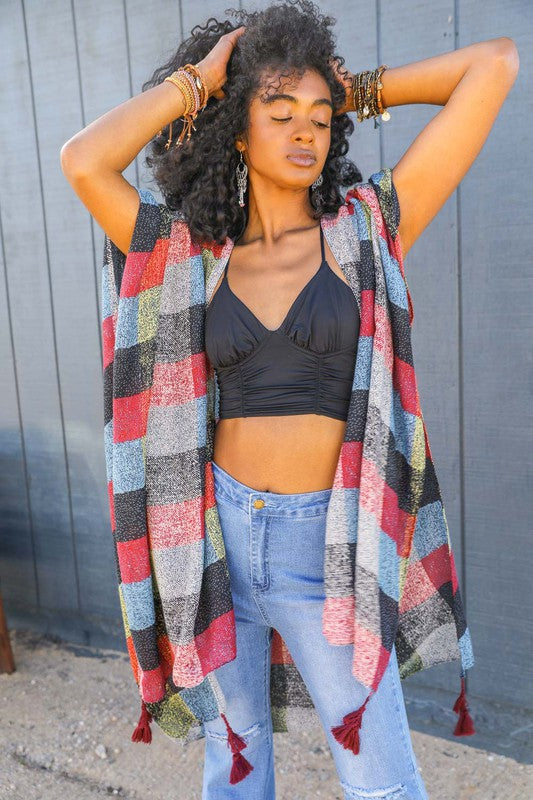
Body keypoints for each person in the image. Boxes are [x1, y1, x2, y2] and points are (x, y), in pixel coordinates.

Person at [60, 2, 519, 798]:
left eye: (318, 115)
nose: (305, 131)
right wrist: (196, 84)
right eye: (279, 113)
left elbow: (495, 65)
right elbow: (82, 161)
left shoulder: (365, 230)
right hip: (215, 544)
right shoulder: (186, 256)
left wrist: (360, 89)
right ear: (237, 126)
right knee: (233, 775)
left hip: (328, 543)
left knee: (381, 779)